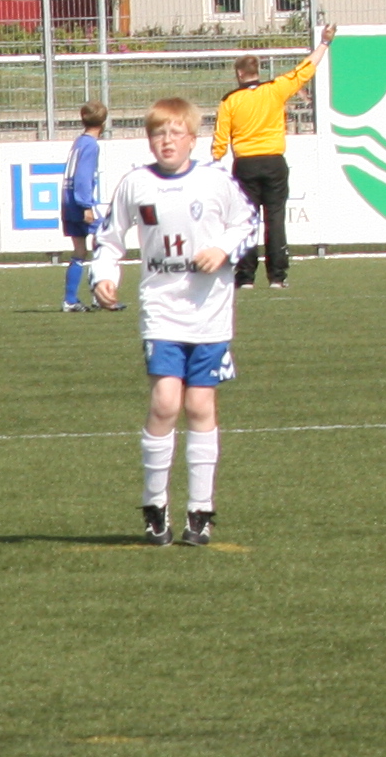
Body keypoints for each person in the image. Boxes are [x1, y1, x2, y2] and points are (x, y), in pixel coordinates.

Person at [113, 96, 259, 545]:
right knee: (165, 402)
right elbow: (110, 236)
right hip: (162, 308)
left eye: (176, 133)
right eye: (159, 133)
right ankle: (154, 504)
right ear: (148, 139)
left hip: (209, 311)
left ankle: (200, 510)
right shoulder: (135, 183)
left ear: (192, 139)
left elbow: (249, 223)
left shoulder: (215, 180)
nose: (167, 141)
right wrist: (104, 275)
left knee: (199, 406)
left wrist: (222, 250)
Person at [213, 31, 325, 288]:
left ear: (239, 73)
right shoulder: (275, 89)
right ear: (257, 71)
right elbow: (304, 70)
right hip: (274, 162)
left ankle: (245, 277)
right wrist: (325, 43)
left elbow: (221, 136)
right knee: (275, 219)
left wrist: (216, 159)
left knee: (246, 221)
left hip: (245, 165)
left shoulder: (230, 100)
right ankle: (277, 276)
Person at [60, 101, 117, 313]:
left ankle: (70, 300)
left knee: (80, 251)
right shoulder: (91, 145)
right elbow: (83, 177)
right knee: (106, 241)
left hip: (68, 201)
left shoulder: (79, 142)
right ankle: (100, 295)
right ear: (104, 122)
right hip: (79, 202)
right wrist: (86, 205)